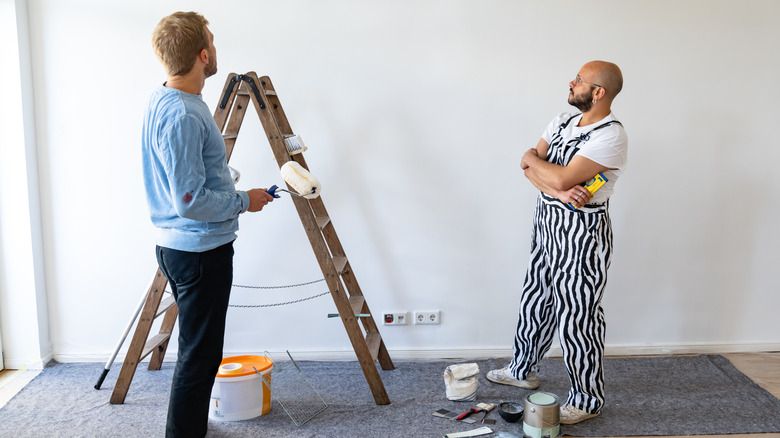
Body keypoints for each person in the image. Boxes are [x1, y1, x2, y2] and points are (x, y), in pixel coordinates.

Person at [142, 11, 275, 438]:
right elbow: (189, 201)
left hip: (184, 246)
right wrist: (243, 200)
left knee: (198, 352)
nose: (216, 49)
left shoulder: (166, 99)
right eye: (212, 43)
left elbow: (183, 179)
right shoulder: (183, 115)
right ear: (202, 55)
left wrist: (223, 182)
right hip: (198, 251)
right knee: (199, 358)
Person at [487, 61, 627, 425]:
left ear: (598, 92)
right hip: (548, 220)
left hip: (584, 230)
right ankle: (522, 369)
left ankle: (586, 398)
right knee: (537, 295)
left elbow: (559, 173)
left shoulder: (610, 135)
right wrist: (558, 190)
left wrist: (546, 172)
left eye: (579, 80)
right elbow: (527, 166)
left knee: (578, 313)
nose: (571, 82)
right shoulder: (561, 121)